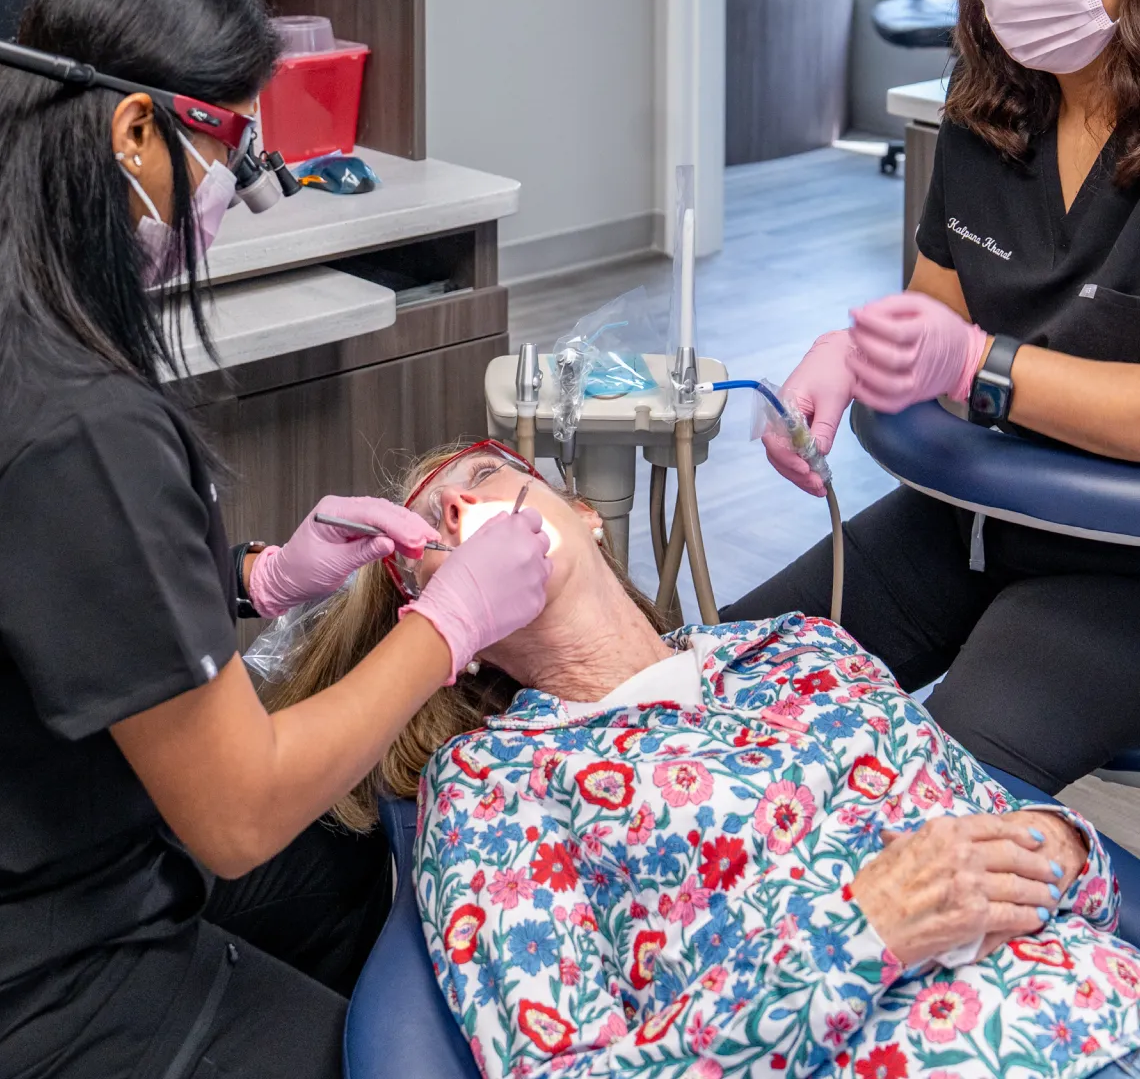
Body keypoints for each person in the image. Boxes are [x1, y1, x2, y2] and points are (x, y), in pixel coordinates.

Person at [0, 0, 553, 1079]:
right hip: (46, 968)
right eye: (227, 150)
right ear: (133, 127)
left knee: (357, 883)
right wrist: (447, 627)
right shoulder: (76, 421)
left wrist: (247, 578)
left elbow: (0, 576)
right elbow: (238, 813)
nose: (237, 195)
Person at [269, 440, 1140, 1079]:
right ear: (447, 627)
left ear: (584, 517)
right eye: (430, 534)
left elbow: (1004, 841)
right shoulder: (497, 789)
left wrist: (1065, 847)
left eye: (483, 477)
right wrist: (861, 933)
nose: (458, 510)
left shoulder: (803, 651)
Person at [726, 0, 1140, 796]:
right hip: (964, 518)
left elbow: (969, 354)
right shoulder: (988, 105)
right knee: (705, 695)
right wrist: (859, 347)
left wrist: (976, 368)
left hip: (1117, 571)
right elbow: (938, 304)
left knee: (927, 800)